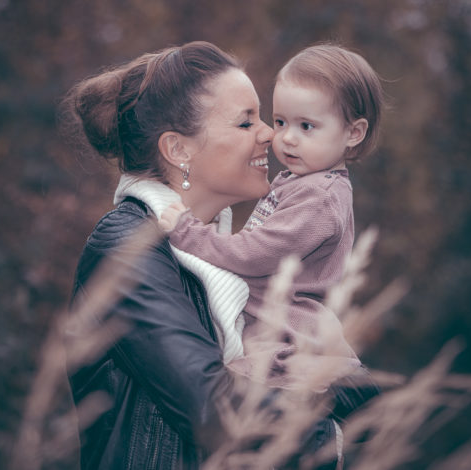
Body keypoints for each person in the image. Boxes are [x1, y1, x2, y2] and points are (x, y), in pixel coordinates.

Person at [64, 41, 379, 470]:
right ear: (179, 150)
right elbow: (213, 409)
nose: (270, 133)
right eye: (247, 122)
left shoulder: (214, 250)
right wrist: (341, 429)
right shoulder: (126, 247)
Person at [160, 43, 384, 390]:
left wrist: (188, 233)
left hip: (287, 348)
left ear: (353, 133)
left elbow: (253, 253)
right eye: (281, 122)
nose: (287, 138)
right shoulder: (300, 182)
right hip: (272, 337)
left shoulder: (319, 198)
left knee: (221, 401)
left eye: (307, 126)